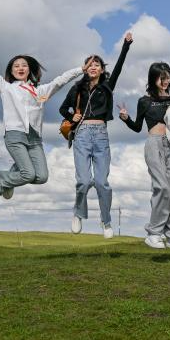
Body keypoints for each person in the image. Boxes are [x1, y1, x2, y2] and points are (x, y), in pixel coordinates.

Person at [0, 34, 83, 208]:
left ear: (29, 70)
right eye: (16, 66)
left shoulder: (40, 91)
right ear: (11, 71)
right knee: (27, 174)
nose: (20, 68)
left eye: (24, 65)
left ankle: (6, 178)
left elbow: (60, 81)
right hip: (15, 135)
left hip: (35, 139)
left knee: (41, 177)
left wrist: (81, 69)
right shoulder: (5, 87)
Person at [61, 33, 133, 238]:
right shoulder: (77, 88)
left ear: (102, 69)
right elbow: (62, 109)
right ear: (85, 68)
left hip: (101, 135)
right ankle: (78, 214)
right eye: (89, 64)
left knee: (102, 182)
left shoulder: (107, 87)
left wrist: (125, 46)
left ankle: (106, 221)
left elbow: (118, 66)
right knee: (83, 181)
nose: (93, 67)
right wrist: (72, 117)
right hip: (82, 134)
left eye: (97, 64)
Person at [119, 62, 170, 252]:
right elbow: (137, 127)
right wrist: (125, 119)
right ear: (153, 78)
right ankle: (154, 233)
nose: (165, 81)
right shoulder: (144, 101)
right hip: (154, 143)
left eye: (168, 77)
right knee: (163, 188)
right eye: (161, 77)